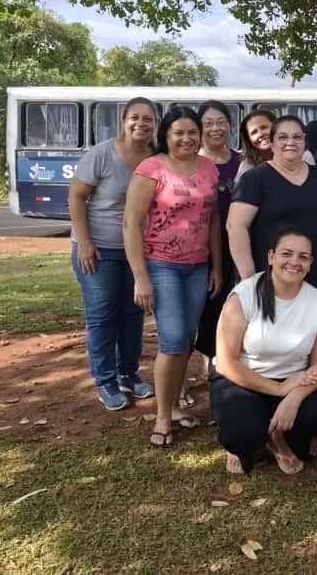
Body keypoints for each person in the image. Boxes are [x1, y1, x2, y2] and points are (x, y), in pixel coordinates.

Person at [123, 106, 223, 447]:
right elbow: (130, 223)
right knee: (173, 340)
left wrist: (217, 266)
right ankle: (163, 417)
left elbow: (212, 219)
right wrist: (140, 277)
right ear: (166, 135)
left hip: (198, 266)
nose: (186, 138)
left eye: (192, 132)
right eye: (179, 132)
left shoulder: (208, 167)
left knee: (187, 341)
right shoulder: (151, 168)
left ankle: (176, 407)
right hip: (161, 264)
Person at [211, 227, 317, 475]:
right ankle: (249, 437)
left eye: (303, 257)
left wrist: (293, 398)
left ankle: (277, 434)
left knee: (316, 417)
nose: (294, 262)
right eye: (286, 254)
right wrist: (279, 390)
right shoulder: (244, 294)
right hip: (242, 379)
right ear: (271, 257)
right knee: (243, 435)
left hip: (293, 379)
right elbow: (225, 362)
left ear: (310, 263)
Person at [68, 97, 157, 411]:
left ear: (155, 124)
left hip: (137, 251)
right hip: (99, 250)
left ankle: (128, 374)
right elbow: (76, 197)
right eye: (135, 117)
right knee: (102, 316)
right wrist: (84, 241)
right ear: (124, 120)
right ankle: (105, 381)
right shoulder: (102, 154)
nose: (141, 124)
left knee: (133, 314)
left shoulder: (156, 158)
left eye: (148, 119)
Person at [228, 115, 317, 292]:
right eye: (282, 137)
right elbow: (236, 227)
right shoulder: (254, 179)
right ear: (271, 143)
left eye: (297, 137)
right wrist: (248, 279)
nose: (290, 142)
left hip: (316, 278)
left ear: (305, 142)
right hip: (270, 280)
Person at [193, 101, 242, 365]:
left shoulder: (242, 161)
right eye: (209, 123)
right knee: (201, 305)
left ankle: (221, 359)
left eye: (221, 122)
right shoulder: (191, 162)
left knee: (229, 303)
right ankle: (201, 362)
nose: (216, 129)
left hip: (236, 244)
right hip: (200, 245)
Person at [236, 109, 275, 180]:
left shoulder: (295, 155)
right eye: (254, 132)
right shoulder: (247, 167)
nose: (260, 134)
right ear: (249, 140)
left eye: (264, 127)